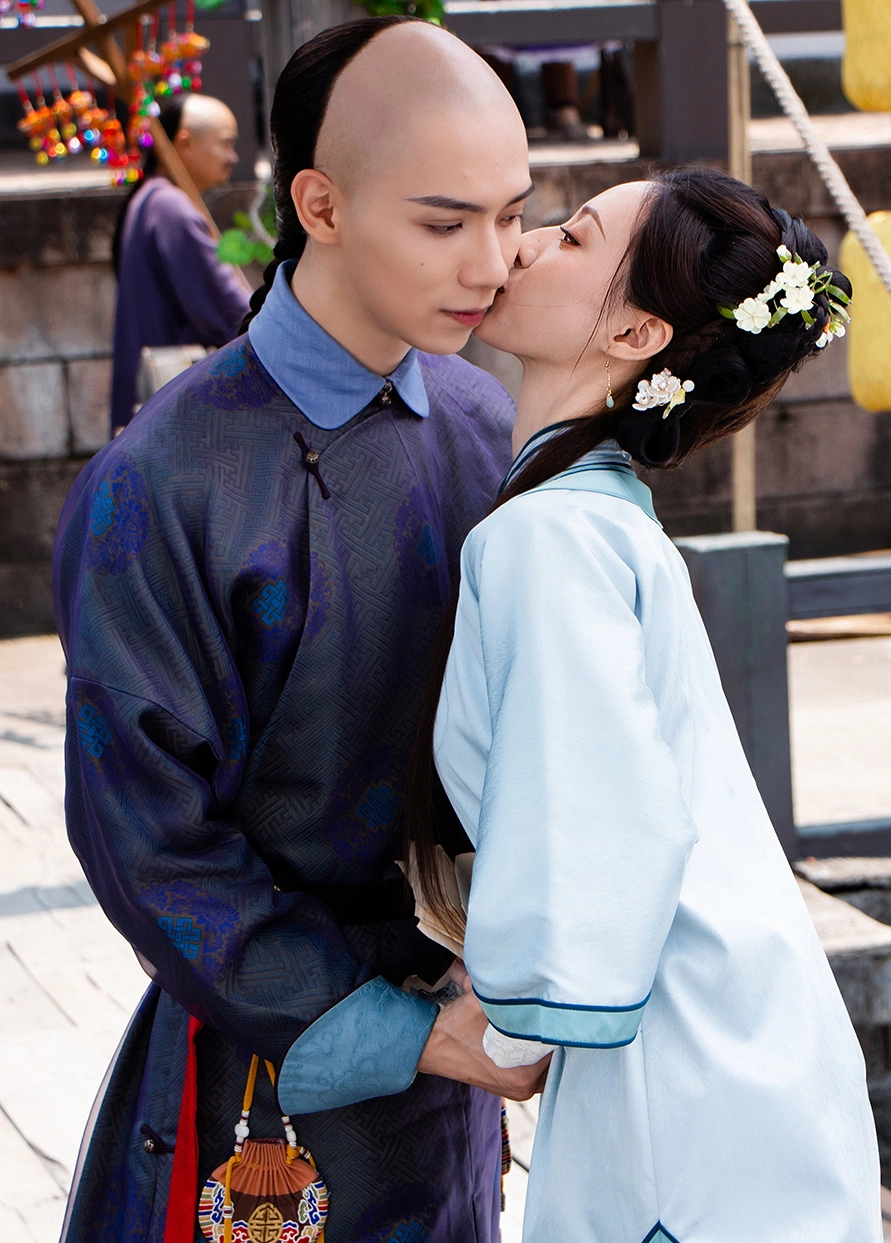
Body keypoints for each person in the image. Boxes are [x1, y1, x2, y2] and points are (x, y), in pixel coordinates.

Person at [53, 18, 541, 1243]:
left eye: (513, 216)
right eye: (445, 223)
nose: (492, 263)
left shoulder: (489, 424)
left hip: (471, 1039)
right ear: (319, 204)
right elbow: (149, 840)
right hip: (267, 1060)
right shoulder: (161, 481)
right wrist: (412, 1029)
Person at [406, 169, 881, 1243]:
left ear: (635, 332)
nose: (522, 244)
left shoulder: (549, 535)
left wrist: (507, 1030)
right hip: (731, 1037)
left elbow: (591, 813)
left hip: (681, 1066)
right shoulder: (593, 517)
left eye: (571, 238)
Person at [110, 92, 251, 433]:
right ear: (185, 143)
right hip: (173, 403)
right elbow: (229, 311)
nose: (233, 157)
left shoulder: (153, 199)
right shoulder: (171, 208)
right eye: (226, 144)